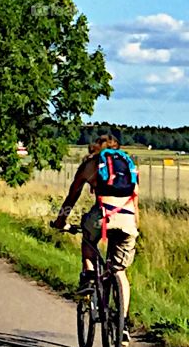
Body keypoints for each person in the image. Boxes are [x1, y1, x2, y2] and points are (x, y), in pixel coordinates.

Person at [51, 131, 138, 324]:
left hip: (102, 216)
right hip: (127, 219)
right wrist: (134, 225)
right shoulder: (129, 166)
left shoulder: (90, 165)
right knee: (119, 271)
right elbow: (135, 198)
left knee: (88, 238)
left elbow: (71, 197)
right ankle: (123, 325)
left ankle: (89, 276)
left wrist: (61, 221)